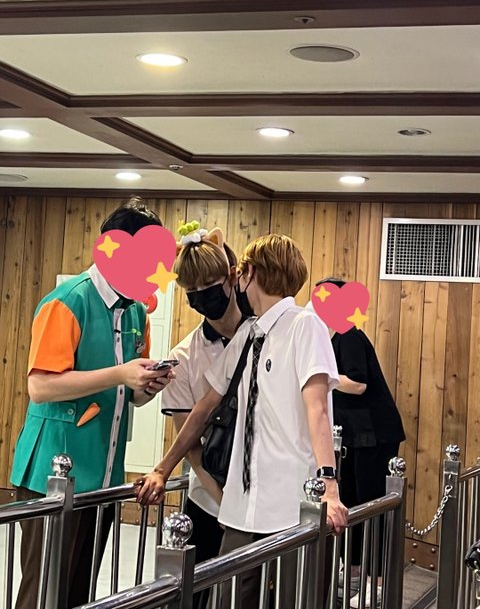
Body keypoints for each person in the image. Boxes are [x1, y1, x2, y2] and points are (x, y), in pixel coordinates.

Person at [137, 234, 348, 608]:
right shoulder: (249, 334)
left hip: (293, 501)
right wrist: (162, 469)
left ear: (249, 273)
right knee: (229, 598)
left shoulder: (305, 325)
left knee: (295, 598)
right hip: (242, 507)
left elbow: (318, 409)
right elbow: (204, 408)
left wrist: (329, 487)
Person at [10, 196, 175, 609]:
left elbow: (131, 395)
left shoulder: (136, 312)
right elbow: (41, 386)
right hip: (54, 475)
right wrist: (120, 374)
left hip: (103, 475)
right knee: (44, 592)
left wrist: (147, 385)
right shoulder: (67, 300)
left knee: (79, 592)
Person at [160, 222, 244, 609]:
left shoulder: (266, 335)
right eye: (191, 292)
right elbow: (191, 445)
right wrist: (224, 501)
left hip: (269, 495)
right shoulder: (183, 357)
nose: (200, 298)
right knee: (191, 594)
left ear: (232, 277)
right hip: (209, 497)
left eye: (208, 287)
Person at [310, 278, 406, 608]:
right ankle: (353, 571)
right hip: (354, 436)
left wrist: (322, 378)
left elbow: (358, 384)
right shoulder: (330, 337)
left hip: (374, 436)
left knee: (370, 504)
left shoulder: (349, 334)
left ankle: (374, 582)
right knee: (350, 500)